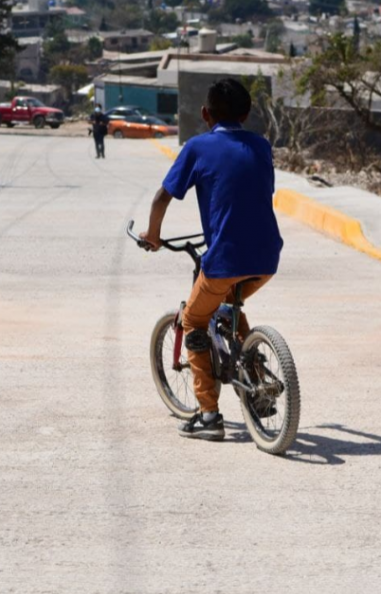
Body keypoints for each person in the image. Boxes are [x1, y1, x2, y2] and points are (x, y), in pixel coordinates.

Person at [139, 78, 283, 441]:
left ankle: (208, 416)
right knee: (229, 305)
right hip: (266, 257)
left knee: (193, 321)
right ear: (248, 114)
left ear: (205, 114)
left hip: (225, 260)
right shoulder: (262, 146)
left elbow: (161, 199)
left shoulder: (198, 147)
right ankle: (258, 383)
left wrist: (153, 236)